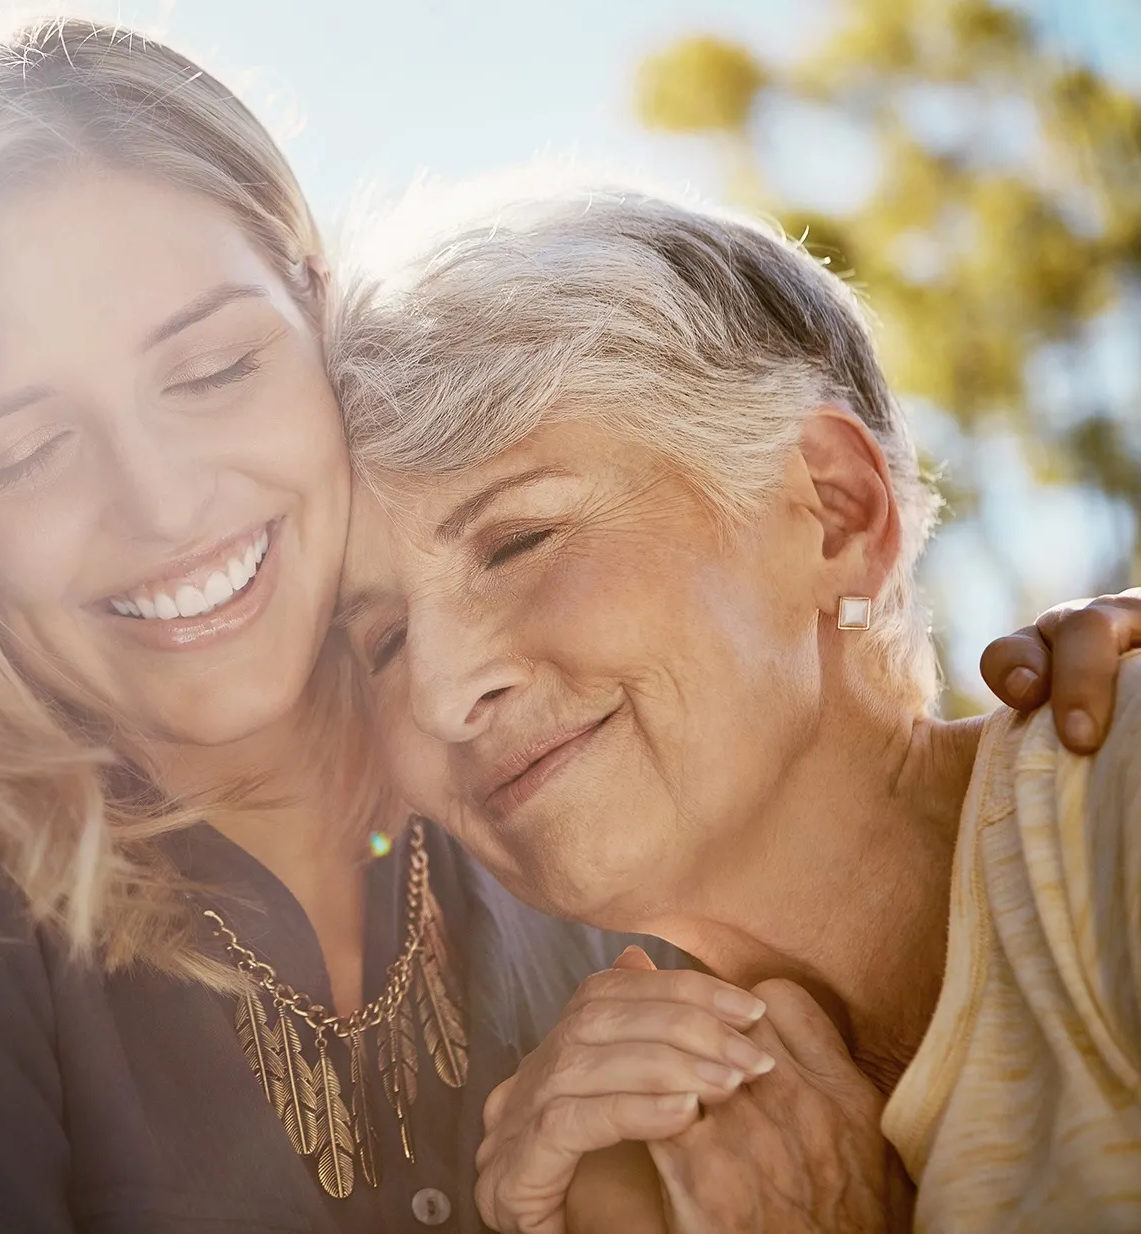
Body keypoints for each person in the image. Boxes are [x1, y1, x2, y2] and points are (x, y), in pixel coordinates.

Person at [0, 17, 1115, 1231]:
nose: (165, 500)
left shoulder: (611, 856)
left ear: (306, 310)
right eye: (22, 453)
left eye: (210, 370)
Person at [327, 181, 1141, 1232]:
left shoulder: (1112, 802)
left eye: (519, 541)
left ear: (833, 511)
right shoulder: (630, 1169)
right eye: (382, 643)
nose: (441, 693)